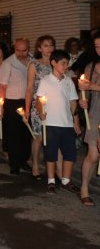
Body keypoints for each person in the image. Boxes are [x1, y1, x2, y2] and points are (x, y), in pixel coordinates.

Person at [36, 49, 79, 194]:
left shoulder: (69, 82)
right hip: (50, 124)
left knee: (69, 153)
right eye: (63, 63)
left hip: (66, 124)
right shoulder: (45, 80)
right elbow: (39, 100)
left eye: (67, 63)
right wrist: (41, 112)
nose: (66, 66)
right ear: (53, 63)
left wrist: (76, 121)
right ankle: (51, 181)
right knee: (51, 153)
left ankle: (66, 180)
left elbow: (73, 102)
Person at [0, 38, 32, 175]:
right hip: (12, 102)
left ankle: (24, 160)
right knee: (13, 134)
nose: (21, 53)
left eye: (24, 50)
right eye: (18, 50)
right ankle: (14, 163)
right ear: (14, 48)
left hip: (28, 101)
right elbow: (2, 86)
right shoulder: (8, 63)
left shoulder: (32, 61)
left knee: (26, 133)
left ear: (28, 49)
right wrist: (1, 106)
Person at [24, 35, 55, 180]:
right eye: (46, 45)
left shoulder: (56, 63)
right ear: (39, 48)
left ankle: (52, 165)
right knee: (38, 137)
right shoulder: (34, 65)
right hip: (39, 105)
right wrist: (27, 108)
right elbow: (29, 88)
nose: (49, 48)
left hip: (55, 105)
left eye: (51, 45)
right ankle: (35, 164)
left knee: (52, 136)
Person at [77, 33, 100, 206]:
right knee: (93, 155)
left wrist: (93, 86)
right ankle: (84, 188)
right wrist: (82, 98)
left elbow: (91, 86)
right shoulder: (91, 67)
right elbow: (83, 89)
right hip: (95, 113)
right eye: (97, 46)